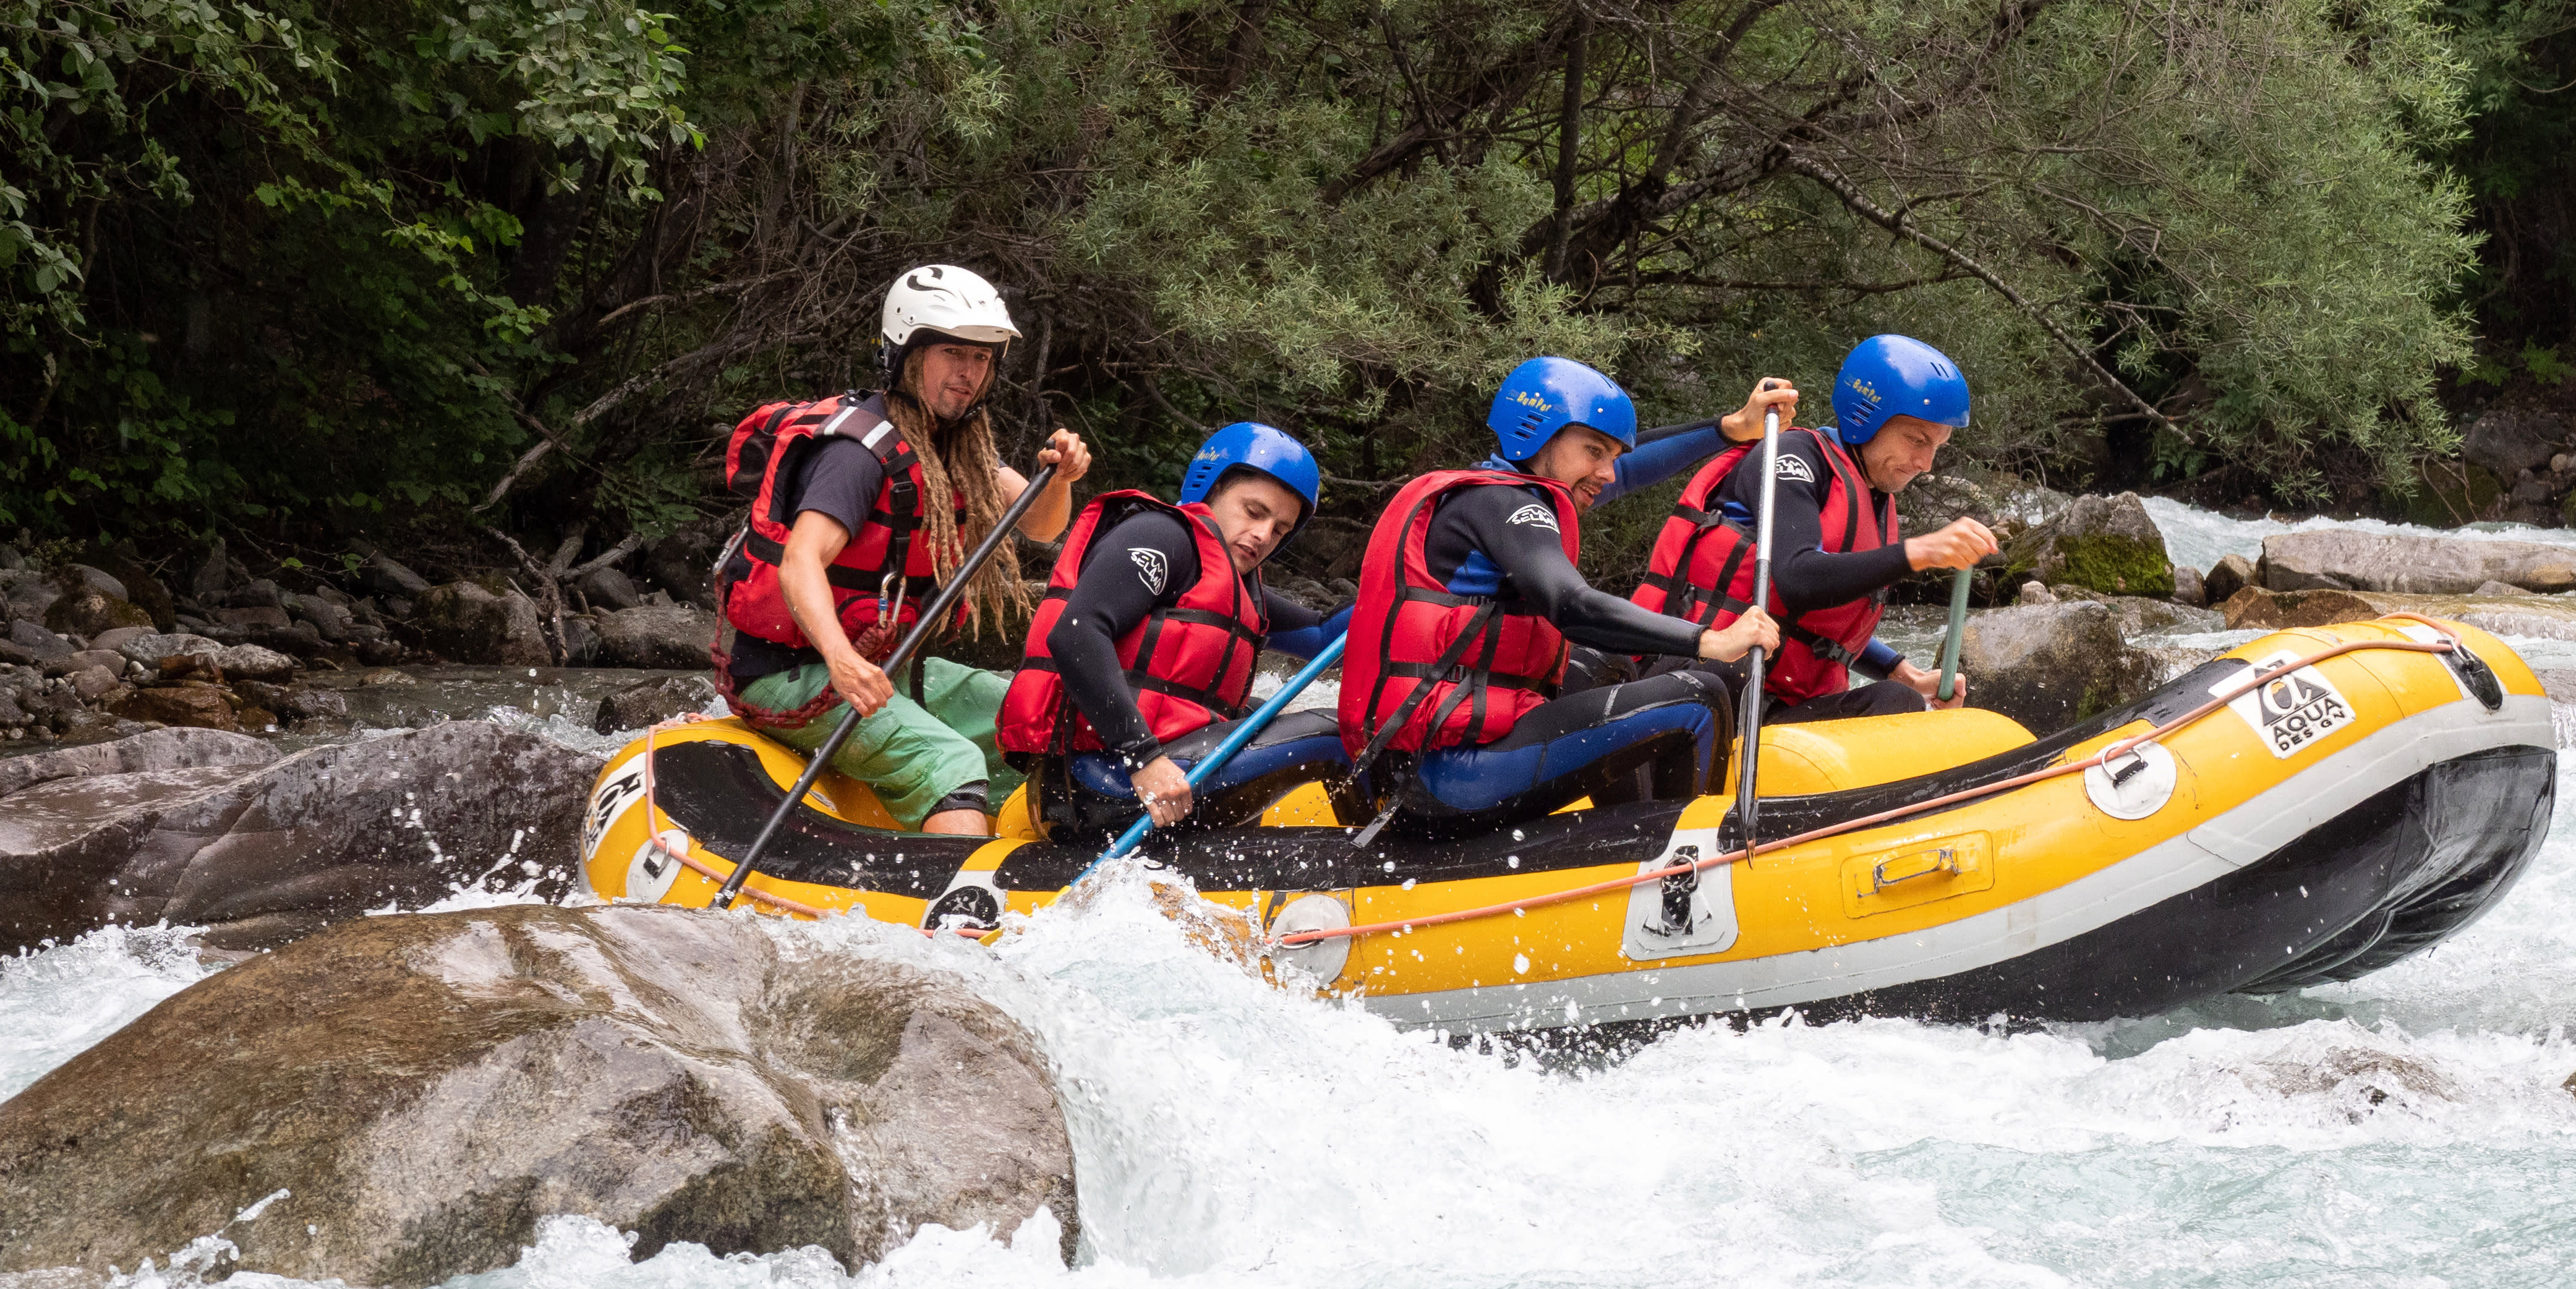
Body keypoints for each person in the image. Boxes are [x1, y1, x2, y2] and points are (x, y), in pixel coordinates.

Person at [715, 265, 1089, 836]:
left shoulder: (958, 449)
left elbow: (1041, 525)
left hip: (889, 667)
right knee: (953, 762)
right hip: (791, 673)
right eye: (954, 354)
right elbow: (801, 561)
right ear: (909, 355)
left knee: (1042, 712)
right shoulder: (857, 457)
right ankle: (959, 910)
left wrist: (1058, 478)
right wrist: (842, 662)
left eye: (983, 359)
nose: (969, 373)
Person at [1338, 357, 1782, 831]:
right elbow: (1571, 605)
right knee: (1701, 696)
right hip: (1449, 780)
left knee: (1600, 666)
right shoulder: (1506, 506)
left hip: (1415, 769)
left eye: (1612, 456)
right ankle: (1679, 866)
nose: (1609, 472)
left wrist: (1729, 429)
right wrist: (1709, 640)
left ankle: (1629, 837)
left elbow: (1631, 471)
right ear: (1536, 435)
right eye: (1595, 452)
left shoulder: (1484, 497)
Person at [998, 422, 1352, 837]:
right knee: (1337, 732)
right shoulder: (1163, 537)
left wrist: (1423, 589)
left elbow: (1327, 637)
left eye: (1279, 529)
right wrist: (1143, 759)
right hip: (1107, 784)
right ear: (1211, 490)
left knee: (1259, 710)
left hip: (1139, 779)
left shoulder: (1238, 586)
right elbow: (1075, 632)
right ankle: (1389, 860)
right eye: (1255, 512)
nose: (1263, 535)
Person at [1631, 334, 2002, 722]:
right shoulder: (1792, 456)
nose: (1925, 463)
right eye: (1916, 440)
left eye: (1937, 447)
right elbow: (1797, 579)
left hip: (1780, 699)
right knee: (1725, 678)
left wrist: (1903, 673)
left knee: (1898, 701)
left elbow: (1814, 630)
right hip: (1701, 680)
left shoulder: (1873, 496)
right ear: (1867, 417)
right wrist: (1920, 551)